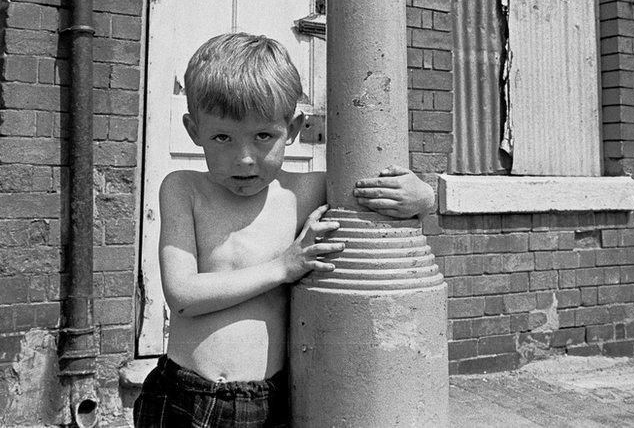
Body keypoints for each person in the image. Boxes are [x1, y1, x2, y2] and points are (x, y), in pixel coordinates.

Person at [133, 32, 432, 427]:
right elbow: (183, 295)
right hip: (182, 394)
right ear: (193, 130)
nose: (244, 159)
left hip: (267, 402)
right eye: (222, 137)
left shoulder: (303, 191)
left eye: (263, 136)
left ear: (292, 128)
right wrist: (285, 267)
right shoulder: (184, 189)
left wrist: (425, 197)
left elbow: (378, 187)